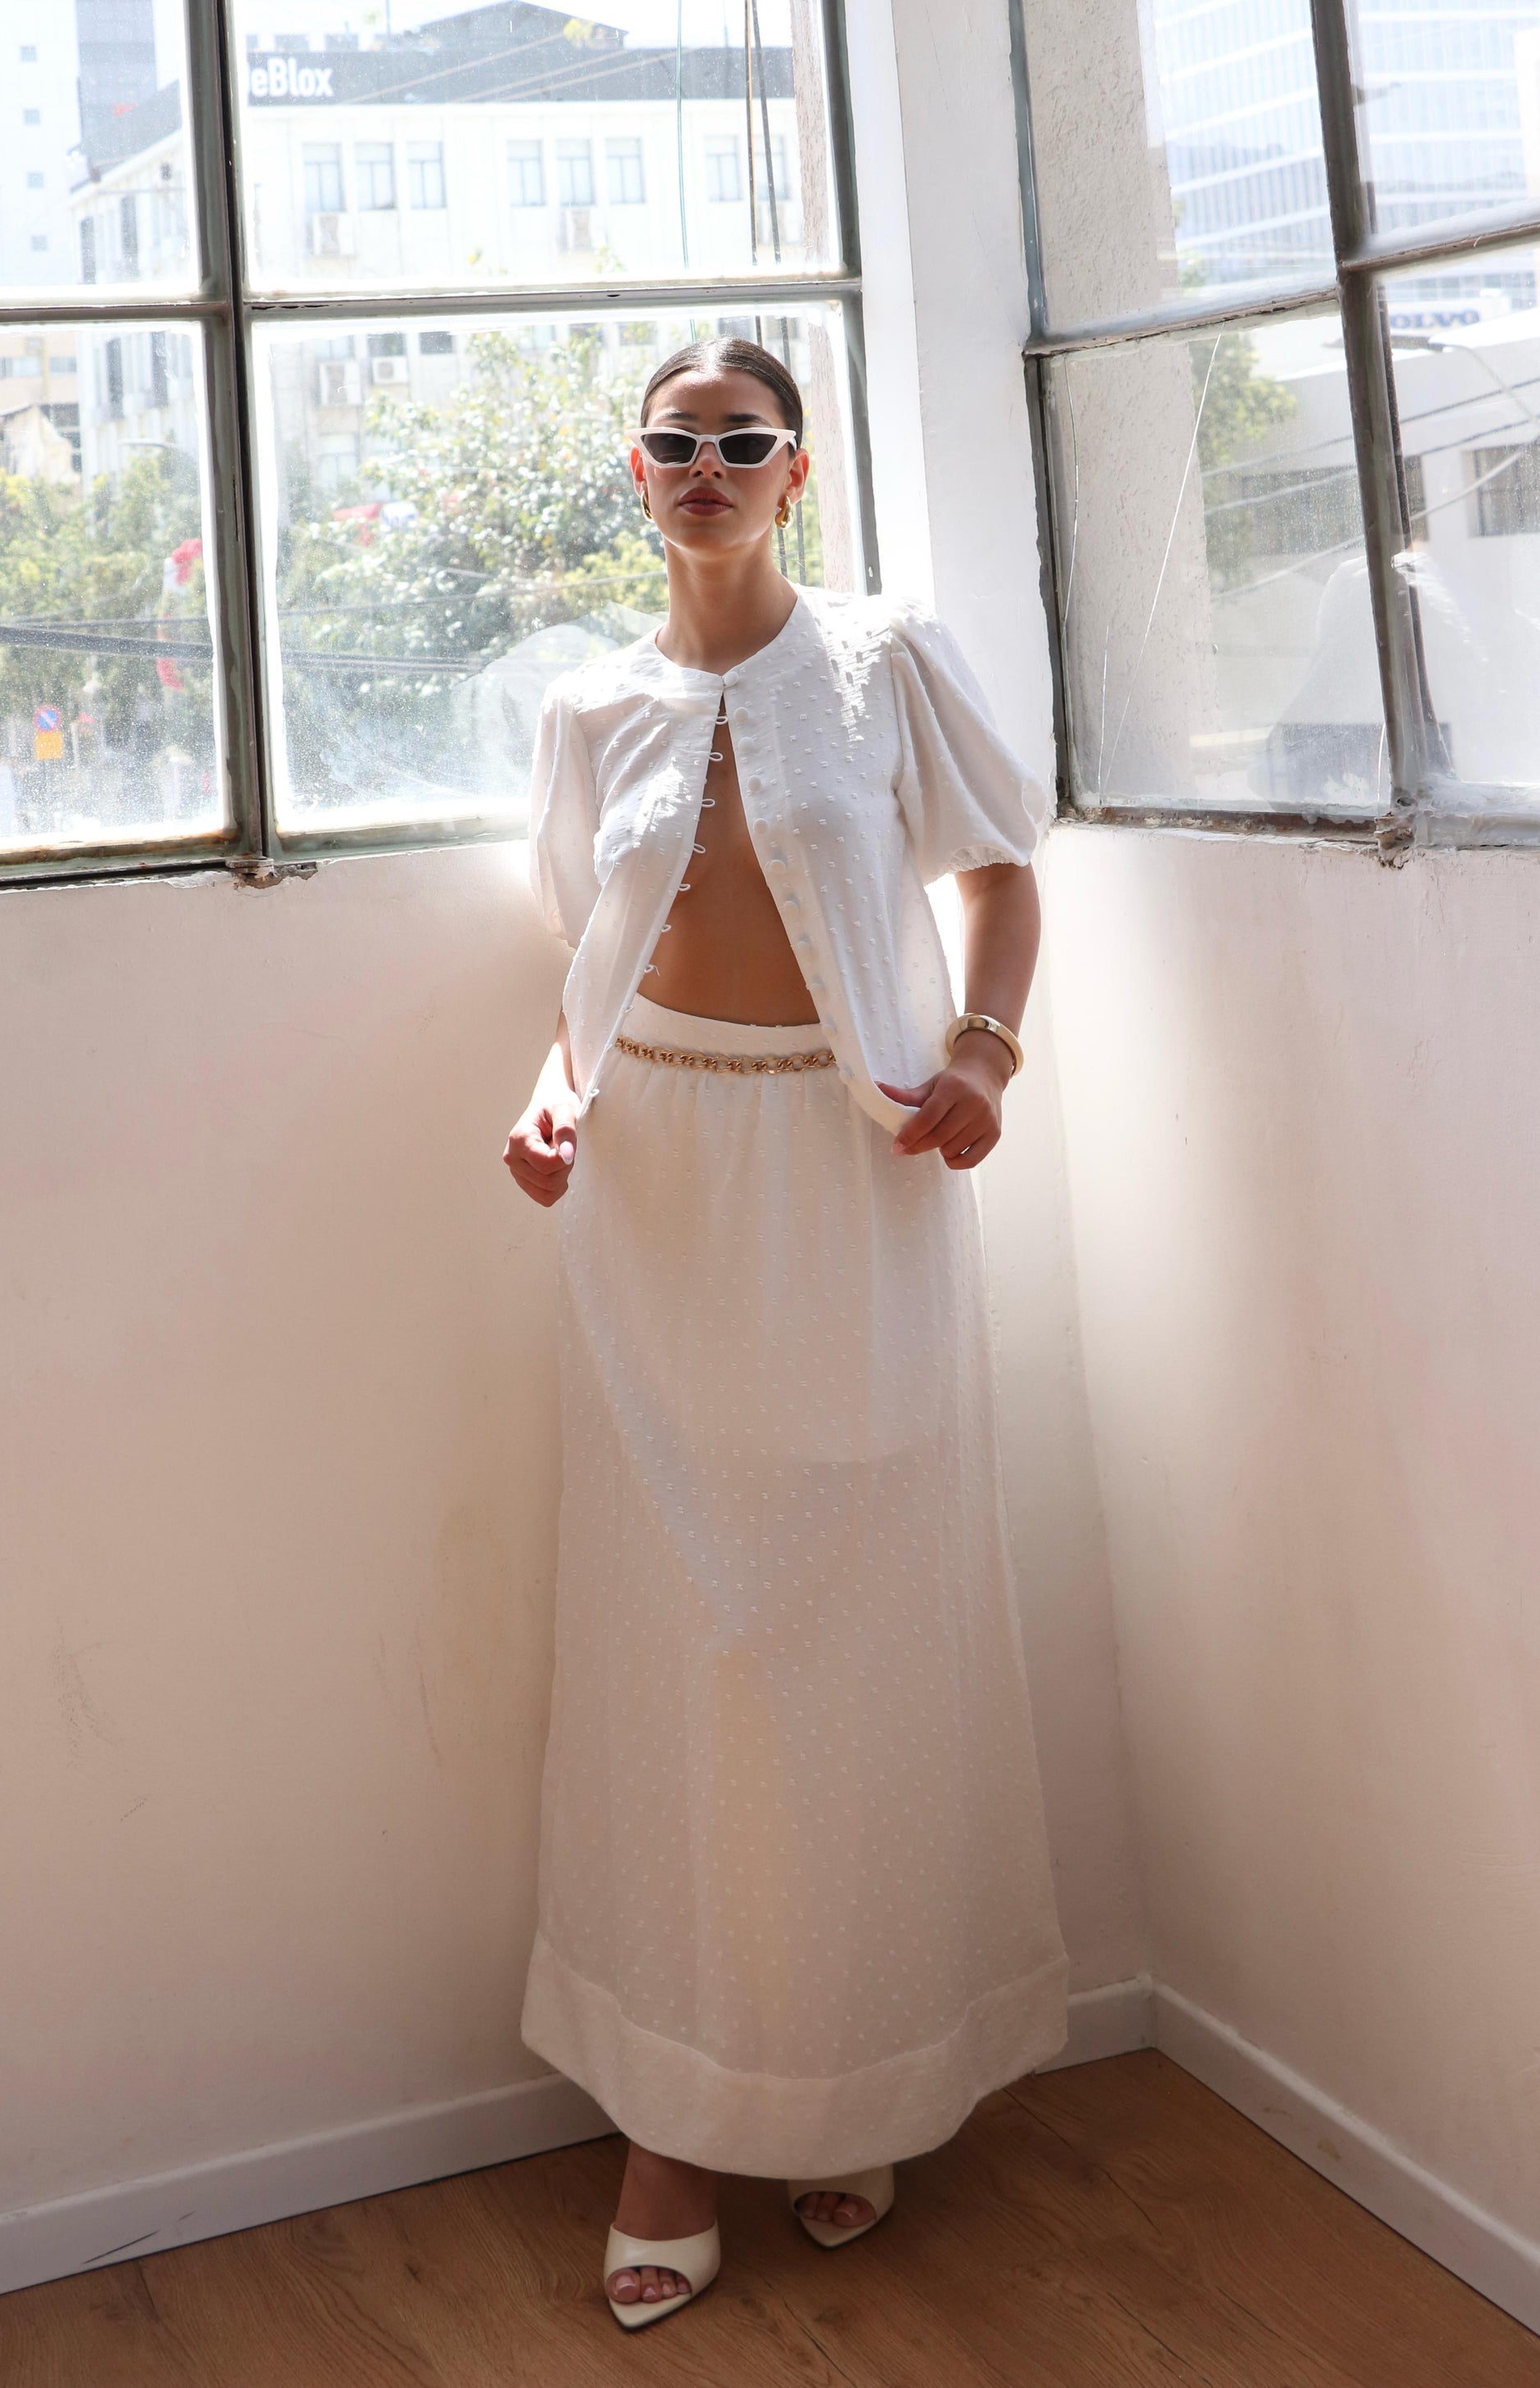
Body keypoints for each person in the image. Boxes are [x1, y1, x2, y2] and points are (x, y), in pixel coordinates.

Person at [504, 336, 1068, 2332]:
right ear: (635, 473)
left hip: (857, 1179)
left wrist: (983, 1052)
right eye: (675, 441)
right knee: (681, 1649)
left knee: (855, 1632)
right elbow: (585, 946)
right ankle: (672, 2121)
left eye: (741, 439)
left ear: (793, 471)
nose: (707, 464)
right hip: (658, 1197)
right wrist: (552, 1098)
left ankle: (852, 2075)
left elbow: (998, 873)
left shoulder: (885, 659)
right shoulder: (590, 703)